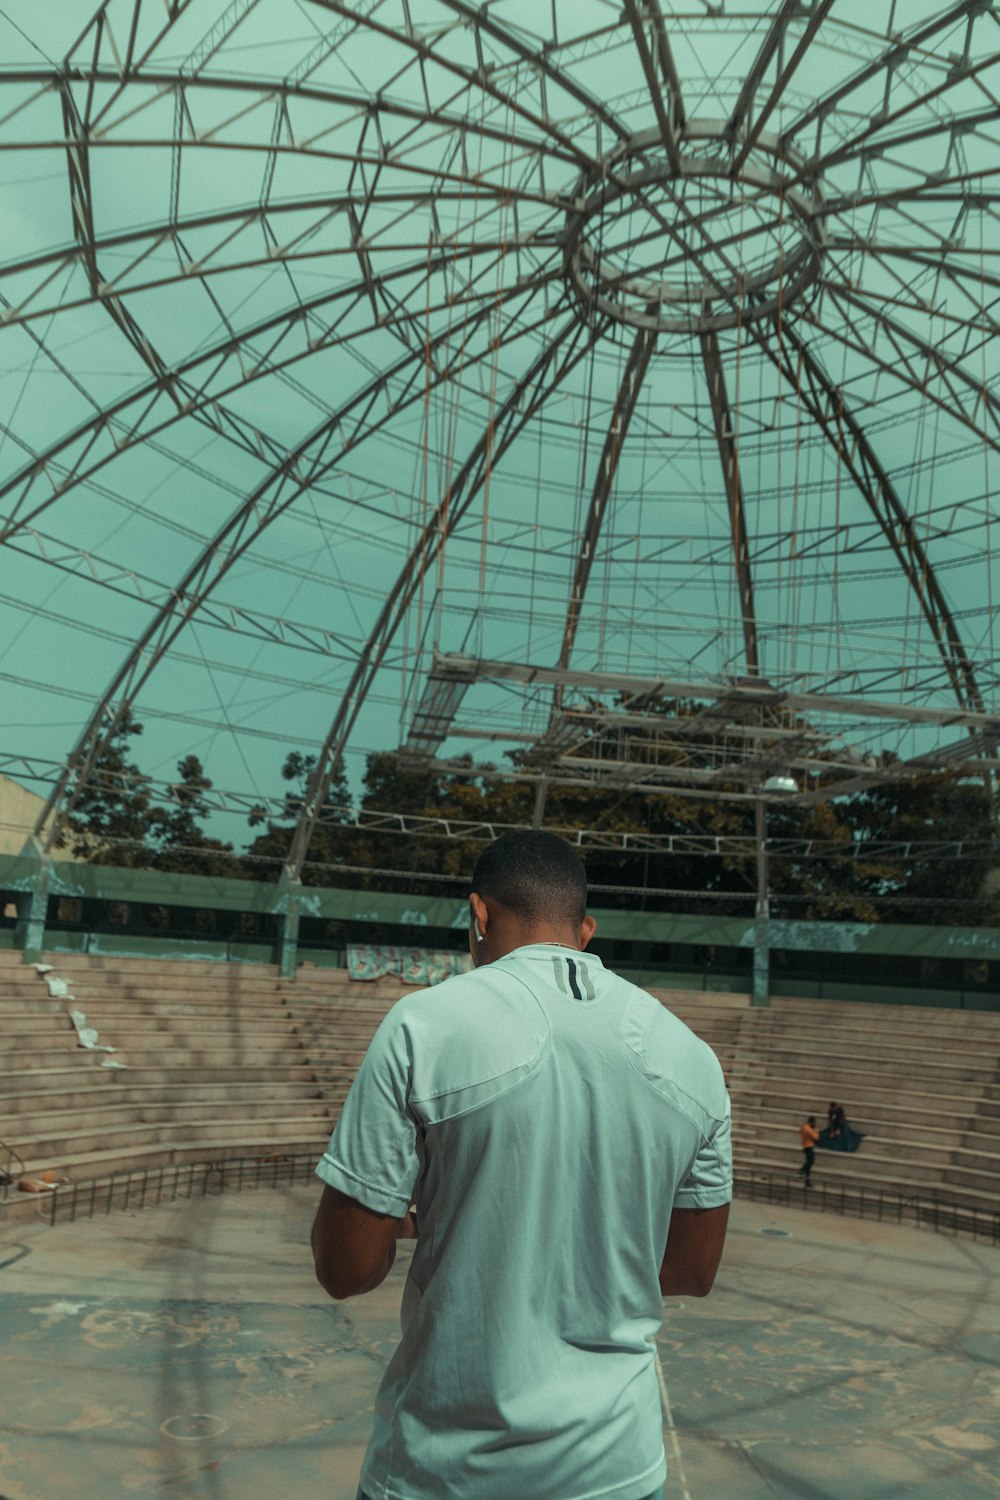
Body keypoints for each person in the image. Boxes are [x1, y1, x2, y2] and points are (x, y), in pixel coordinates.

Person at [311, 829, 732, 1500]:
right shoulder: (694, 1059)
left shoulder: (423, 1025)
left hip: (447, 1470)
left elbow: (345, 1269)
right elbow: (690, 1270)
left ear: (477, 914)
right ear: (586, 930)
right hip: (619, 1469)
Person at [799, 1115, 820, 1186]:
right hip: (808, 1147)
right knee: (811, 1161)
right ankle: (802, 1170)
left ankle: (807, 1181)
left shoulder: (804, 1127)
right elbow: (816, 1137)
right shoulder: (807, 1129)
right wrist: (816, 1129)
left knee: (809, 1163)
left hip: (806, 1146)